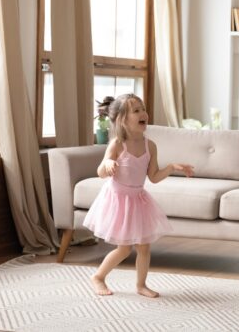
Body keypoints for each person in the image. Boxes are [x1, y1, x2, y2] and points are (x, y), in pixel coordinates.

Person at [83, 93, 194, 298]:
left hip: (138, 200)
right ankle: (98, 277)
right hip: (118, 200)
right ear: (122, 120)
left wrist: (171, 167)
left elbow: (153, 177)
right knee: (124, 249)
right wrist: (107, 165)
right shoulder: (117, 144)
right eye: (136, 110)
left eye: (143, 108)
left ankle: (141, 285)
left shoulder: (149, 145)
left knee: (144, 247)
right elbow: (100, 172)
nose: (143, 113)